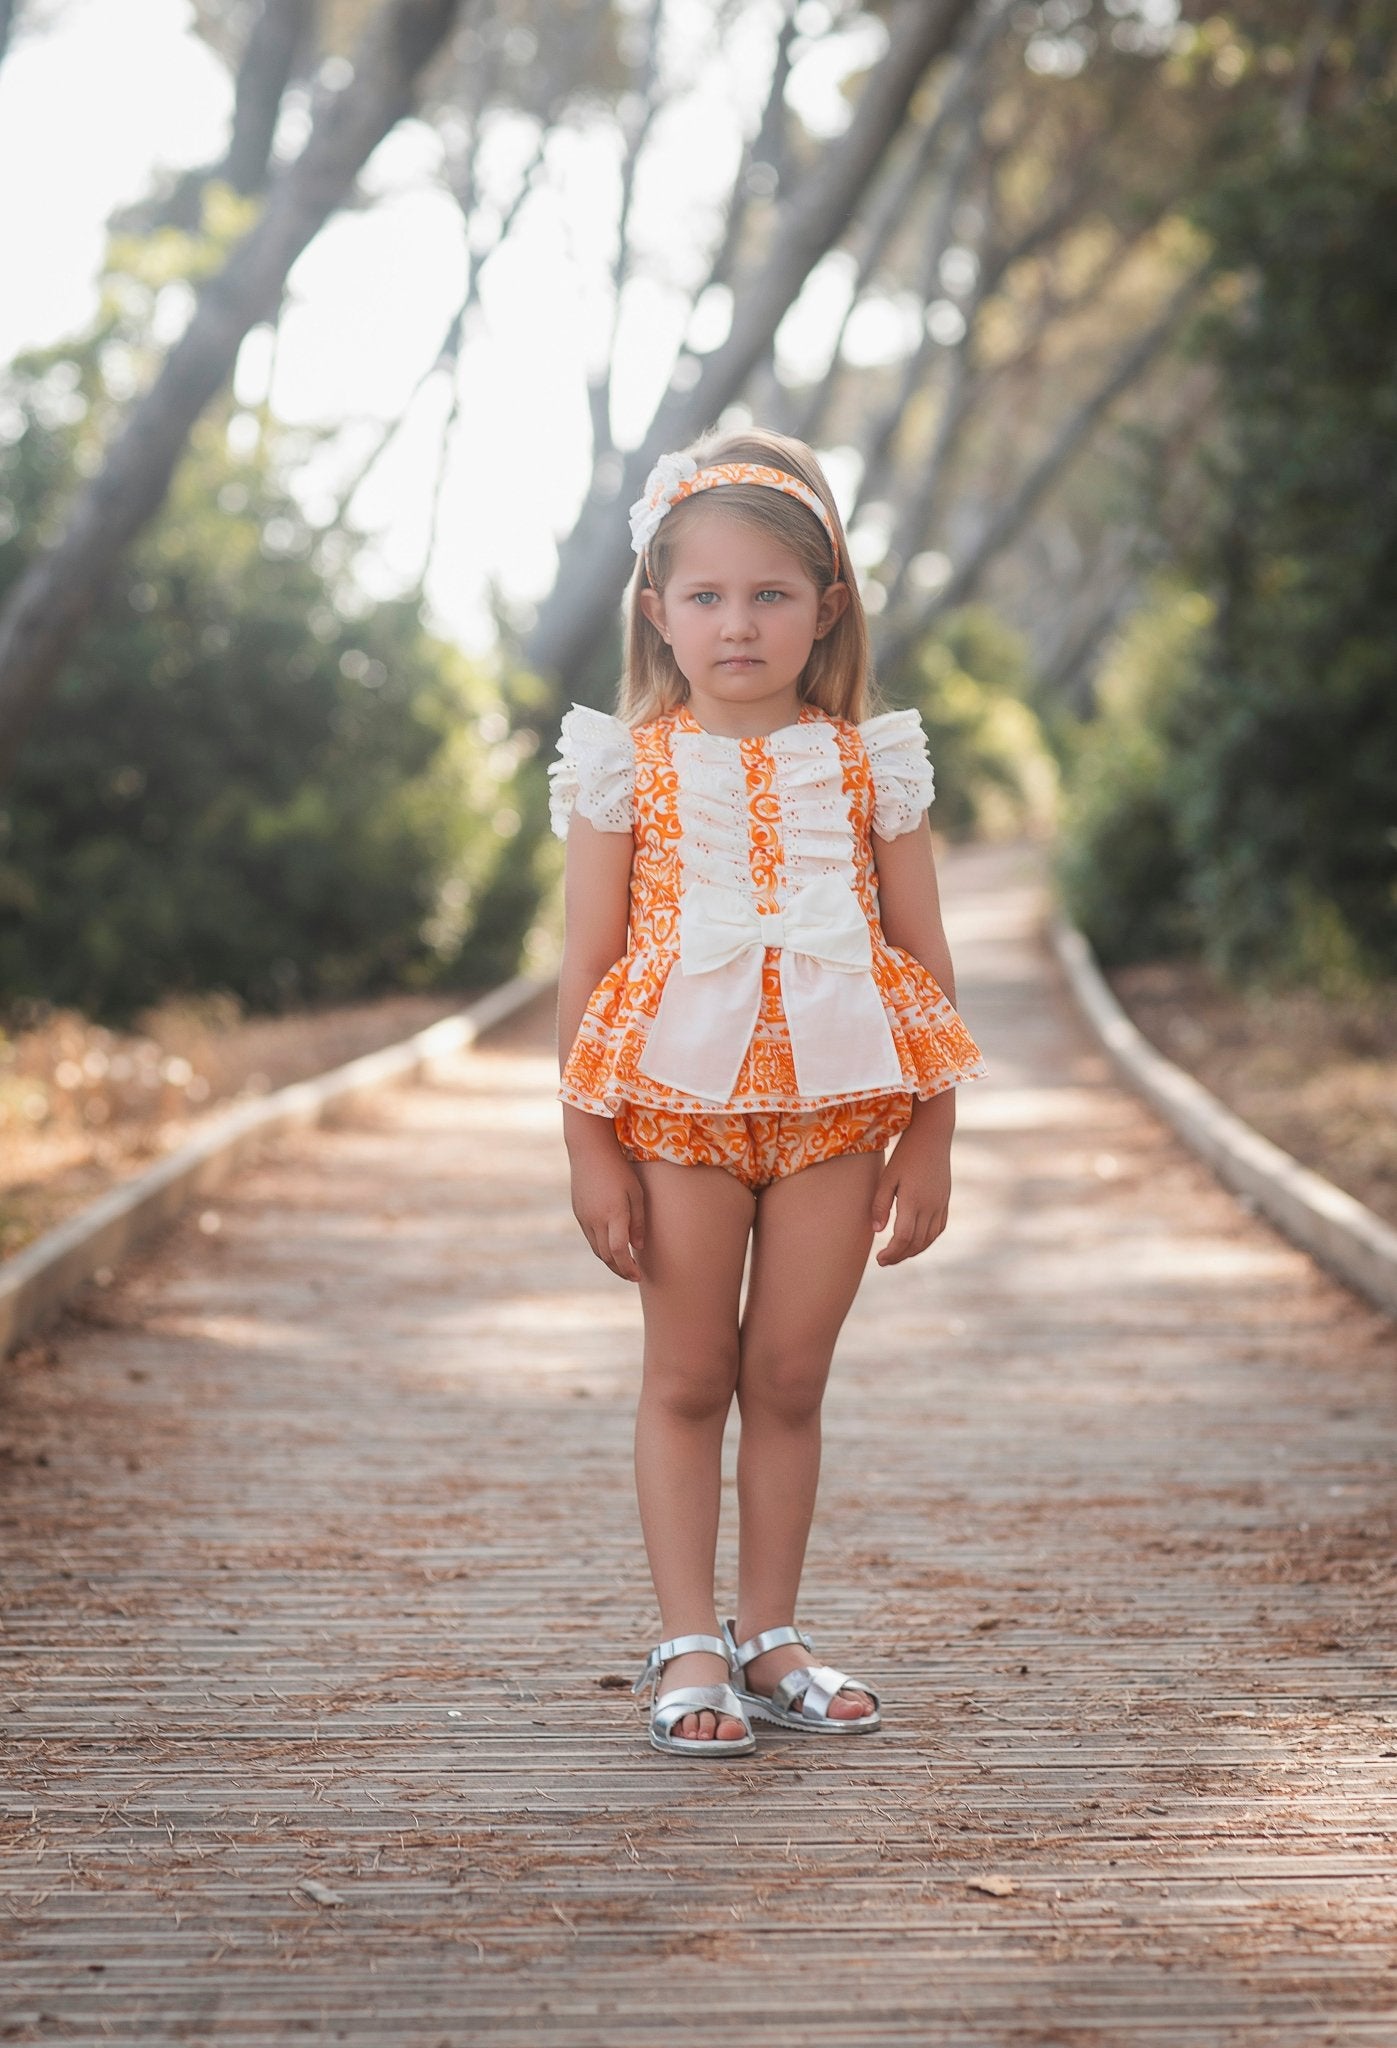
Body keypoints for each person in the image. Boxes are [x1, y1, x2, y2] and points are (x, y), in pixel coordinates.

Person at [549, 427, 986, 1758]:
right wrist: (587, 1151)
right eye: (706, 595)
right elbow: (583, 971)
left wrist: (936, 1134)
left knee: (787, 1379)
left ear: (824, 609)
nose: (737, 623)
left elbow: (923, 961)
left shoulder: (869, 766)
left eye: (770, 594)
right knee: (687, 1376)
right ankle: (687, 1642)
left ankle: (769, 1633)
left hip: (838, 1118)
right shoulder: (623, 768)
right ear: (657, 613)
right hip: (675, 1117)